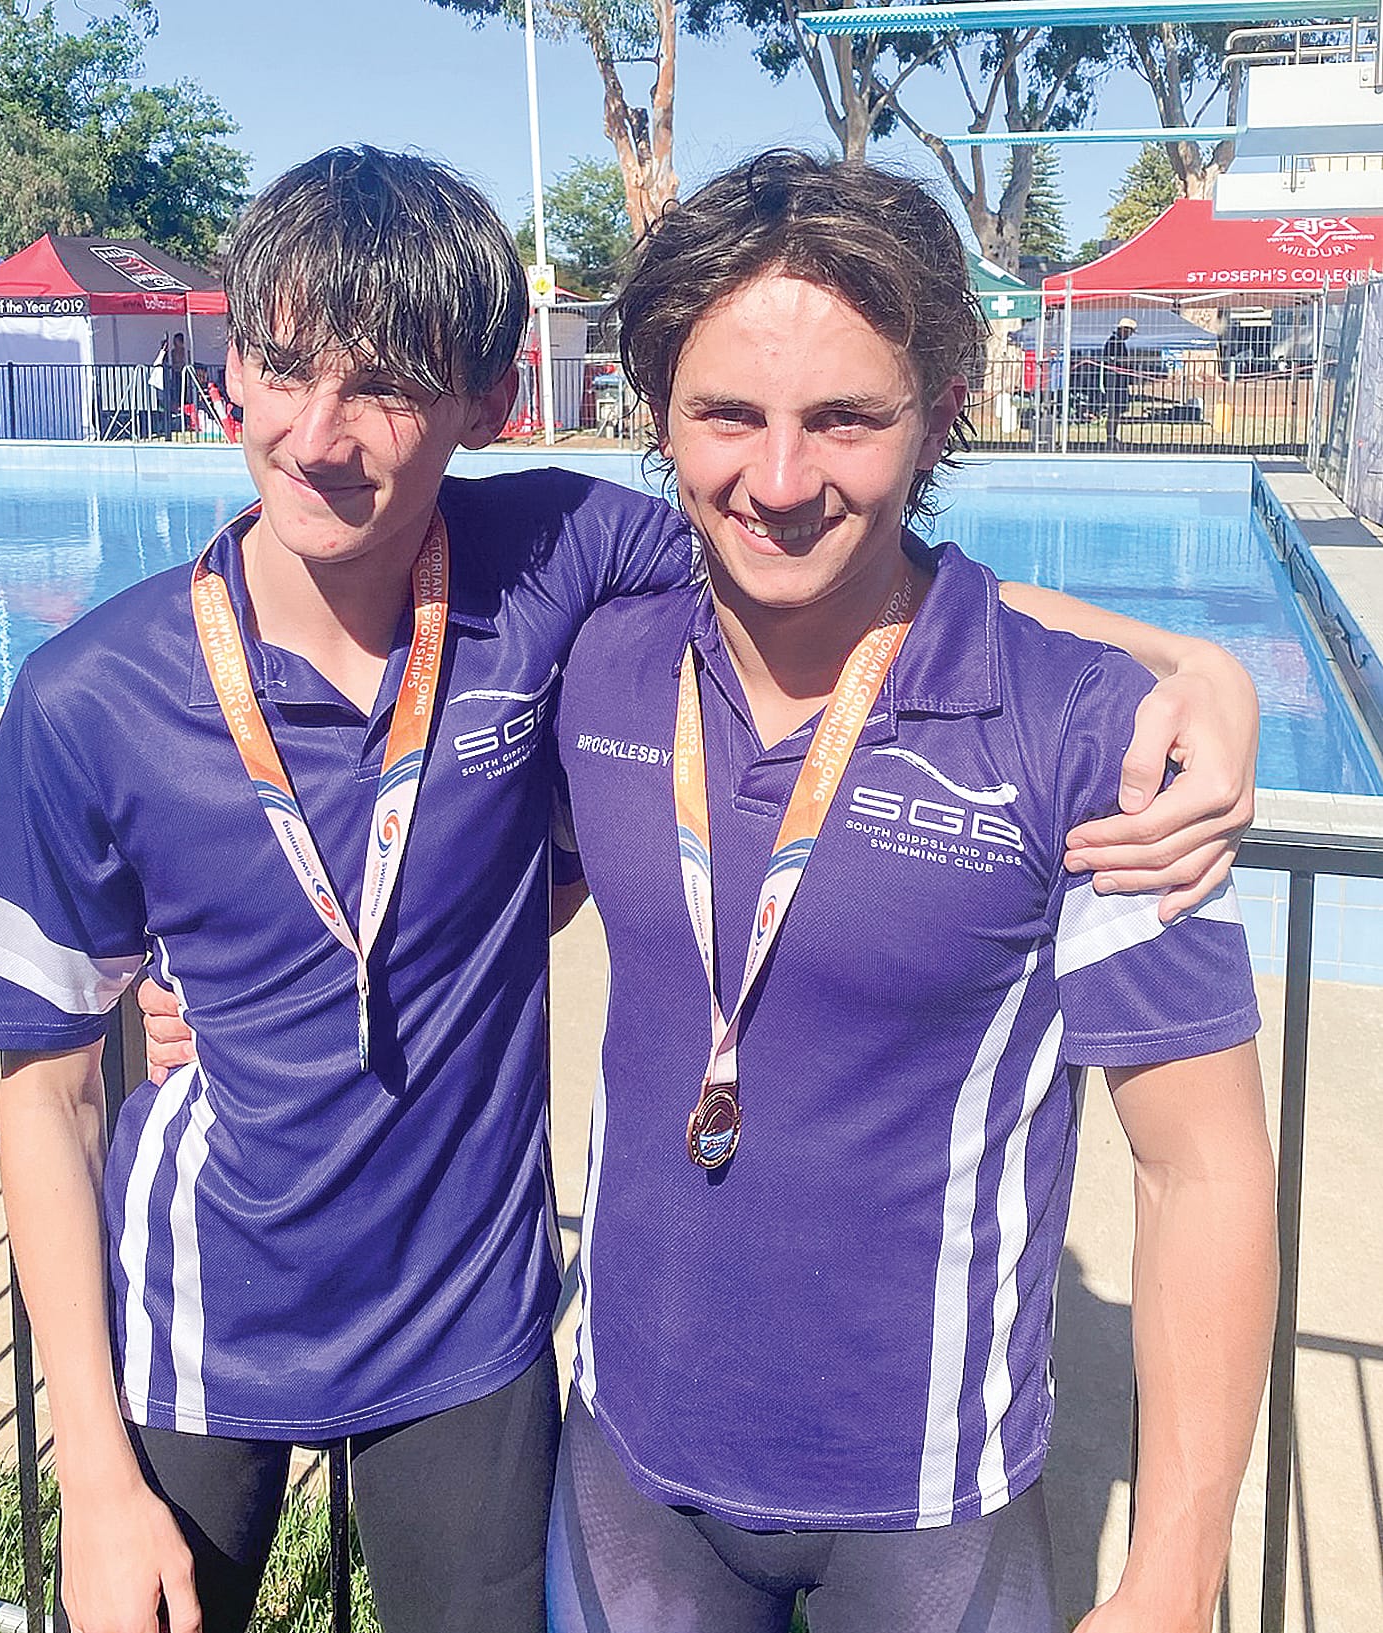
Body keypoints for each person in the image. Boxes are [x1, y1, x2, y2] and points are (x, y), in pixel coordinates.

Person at [0, 144, 1254, 1633]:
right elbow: (52, 1090)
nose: (319, 434)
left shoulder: (555, 566)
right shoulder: (104, 693)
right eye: (284, 368)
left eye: (386, 386)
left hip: (508, 1355)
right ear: (229, 367)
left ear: (484, 403)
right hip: (254, 1347)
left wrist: (1188, 662)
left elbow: (837, 559)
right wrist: (93, 1475)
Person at [544, 153, 1276, 1633]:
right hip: (631, 1457)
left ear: (941, 413)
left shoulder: (1086, 736)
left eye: (846, 420)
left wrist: (1176, 1572)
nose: (780, 480)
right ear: (658, 412)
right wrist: (199, 992)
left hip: (936, 1501)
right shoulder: (601, 663)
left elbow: (1203, 1168)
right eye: (727, 415)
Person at [1102, 315, 1138, 444]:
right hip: (1114, 382)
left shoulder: (1119, 343)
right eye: (1129, 332)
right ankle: (1110, 436)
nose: (1129, 335)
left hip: (1120, 382)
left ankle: (1113, 435)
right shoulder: (1113, 342)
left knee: (1117, 410)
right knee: (1113, 410)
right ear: (1124, 330)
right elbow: (1113, 361)